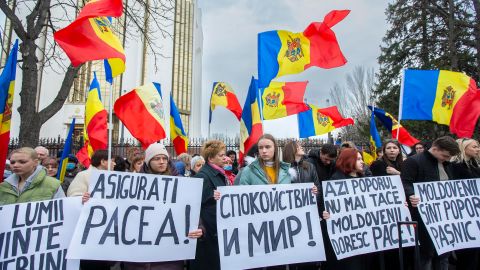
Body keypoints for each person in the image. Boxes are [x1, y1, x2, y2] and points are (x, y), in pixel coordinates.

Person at [123, 143, 203, 270]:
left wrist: (199, 228)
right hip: (138, 258)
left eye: (165, 158)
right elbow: (120, 210)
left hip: (168, 259)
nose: (161, 162)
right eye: (157, 158)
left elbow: (190, 210)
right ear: (148, 161)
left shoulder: (181, 183)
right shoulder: (134, 183)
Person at [401, 136, 460, 270]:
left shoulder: (447, 164)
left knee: (444, 253)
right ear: (435, 148)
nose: (447, 159)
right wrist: (411, 195)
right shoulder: (413, 161)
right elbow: (405, 182)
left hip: (446, 215)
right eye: (445, 155)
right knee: (426, 254)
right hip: (423, 217)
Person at [323, 148, 369, 270]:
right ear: (349, 161)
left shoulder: (365, 180)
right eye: (358, 159)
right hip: (347, 242)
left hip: (364, 237)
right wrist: (327, 213)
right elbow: (327, 207)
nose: (362, 162)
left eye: (361, 159)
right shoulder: (335, 182)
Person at [190, 140, 229, 270]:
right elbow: (191, 202)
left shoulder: (218, 173)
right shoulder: (203, 176)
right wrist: (210, 195)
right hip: (208, 235)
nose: (225, 158)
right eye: (221, 155)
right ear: (211, 158)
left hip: (215, 232)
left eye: (224, 155)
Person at [282, 140, 320, 270]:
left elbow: (317, 186)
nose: (302, 148)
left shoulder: (310, 166)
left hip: (308, 215)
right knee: (294, 253)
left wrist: (316, 191)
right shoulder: (283, 169)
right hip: (291, 217)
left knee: (308, 254)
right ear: (292, 150)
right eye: (299, 146)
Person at [370, 140, 404, 270]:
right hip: (384, 207)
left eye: (394, 147)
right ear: (384, 151)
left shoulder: (404, 164)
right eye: (388, 148)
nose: (391, 150)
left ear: (399, 150)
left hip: (401, 206)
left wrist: (397, 173)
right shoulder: (378, 164)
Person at [450, 138, 480, 270]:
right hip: (464, 214)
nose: (477, 149)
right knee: (468, 251)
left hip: (476, 212)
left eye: (478, 146)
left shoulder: (475, 165)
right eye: (474, 147)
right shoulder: (455, 166)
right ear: (464, 148)